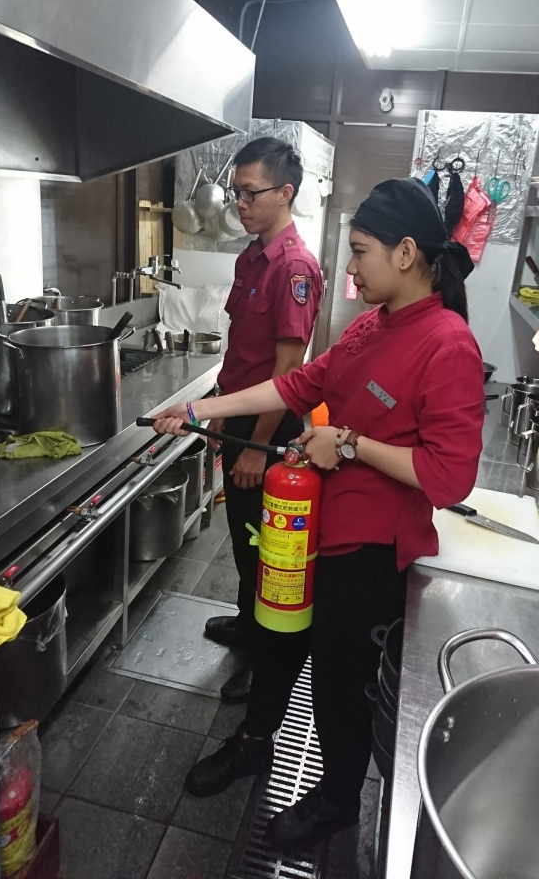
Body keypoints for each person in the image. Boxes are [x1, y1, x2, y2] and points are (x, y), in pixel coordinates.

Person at [152, 177, 484, 851]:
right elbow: (298, 383)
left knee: (338, 680)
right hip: (310, 528)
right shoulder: (371, 327)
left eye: (360, 251)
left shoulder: (448, 344)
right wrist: (198, 409)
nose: (351, 268)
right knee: (275, 642)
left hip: (368, 555)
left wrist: (350, 443)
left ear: (406, 253)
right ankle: (254, 743)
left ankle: (337, 799)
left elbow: (450, 477)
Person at [203, 137, 323, 704]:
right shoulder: (251, 256)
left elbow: (287, 370)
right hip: (240, 420)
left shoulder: (294, 268)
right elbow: (243, 352)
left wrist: (255, 446)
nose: (241, 203)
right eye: (237, 193)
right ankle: (248, 621)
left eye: (251, 193)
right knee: (242, 533)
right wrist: (223, 418)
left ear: (285, 193)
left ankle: (267, 655)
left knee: (264, 543)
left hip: (268, 431)